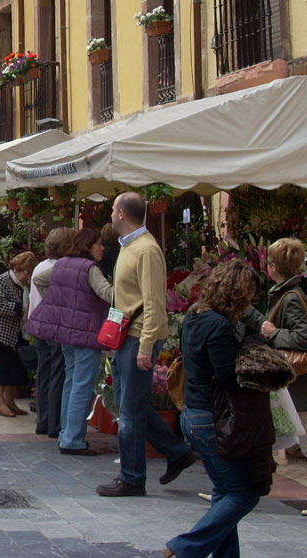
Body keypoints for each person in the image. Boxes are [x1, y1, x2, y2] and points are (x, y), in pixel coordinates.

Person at [97, 192, 195, 497]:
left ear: (122, 214)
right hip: (127, 334)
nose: (110, 214)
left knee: (129, 410)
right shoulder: (129, 246)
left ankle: (132, 477)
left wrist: (146, 345)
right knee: (130, 404)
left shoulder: (146, 249)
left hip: (139, 335)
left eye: (112, 209)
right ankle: (177, 452)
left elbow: (154, 301)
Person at [165, 261, 263, 558]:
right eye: (249, 296)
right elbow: (227, 377)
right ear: (237, 294)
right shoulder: (218, 325)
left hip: (192, 415)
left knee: (223, 491)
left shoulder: (194, 314)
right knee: (243, 494)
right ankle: (183, 547)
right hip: (211, 419)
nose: (250, 303)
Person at [244, 237, 307, 517]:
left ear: (273, 267)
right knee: (265, 435)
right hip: (290, 384)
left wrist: (273, 333)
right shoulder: (286, 294)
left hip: (295, 385)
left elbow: (304, 338)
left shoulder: (290, 297)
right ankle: (238, 487)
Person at [28, 228, 113, 455]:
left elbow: (38, 279)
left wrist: (58, 303)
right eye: (99, 244)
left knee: (71, 380)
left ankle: (66, 433)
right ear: (88, 245)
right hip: (86, 332)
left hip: (67, 332)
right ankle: (73, 439)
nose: (102, 248)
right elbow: (108, 294)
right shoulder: (89, 268)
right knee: (82, 384)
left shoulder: (63, 264)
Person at [27, 227, 76, 437]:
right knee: (58, 374)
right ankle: (54, 422)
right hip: (55, 325)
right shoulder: (61, 269)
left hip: (39, 325)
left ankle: (43, 420)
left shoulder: (40, 266)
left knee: (43, 373)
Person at [0, 252, 37, 417]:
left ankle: (10, 401)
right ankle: (0, 403)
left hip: (18, 333)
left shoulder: (24, 285)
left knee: (15, 369)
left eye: (29, 272)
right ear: (16, 268)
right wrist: (21, 308)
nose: (27, 276)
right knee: (1, 369)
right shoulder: (0, 280)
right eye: (25, 272)